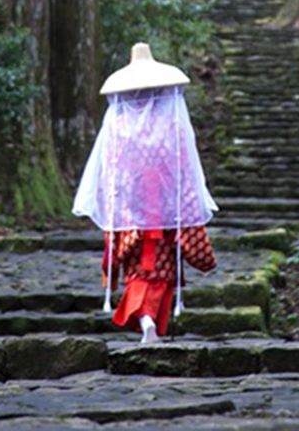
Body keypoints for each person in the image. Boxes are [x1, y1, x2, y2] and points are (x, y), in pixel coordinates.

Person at [73, 42, 219, 343]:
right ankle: (149, 321)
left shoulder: (119, 127)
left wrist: (116, 207)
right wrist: (188, 206)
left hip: (131, 211)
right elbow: (183, 169)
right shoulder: (172, 126)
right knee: (161, 271)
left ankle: (147, 320)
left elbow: (112, 170)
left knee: (137, 271)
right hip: (167, 210)